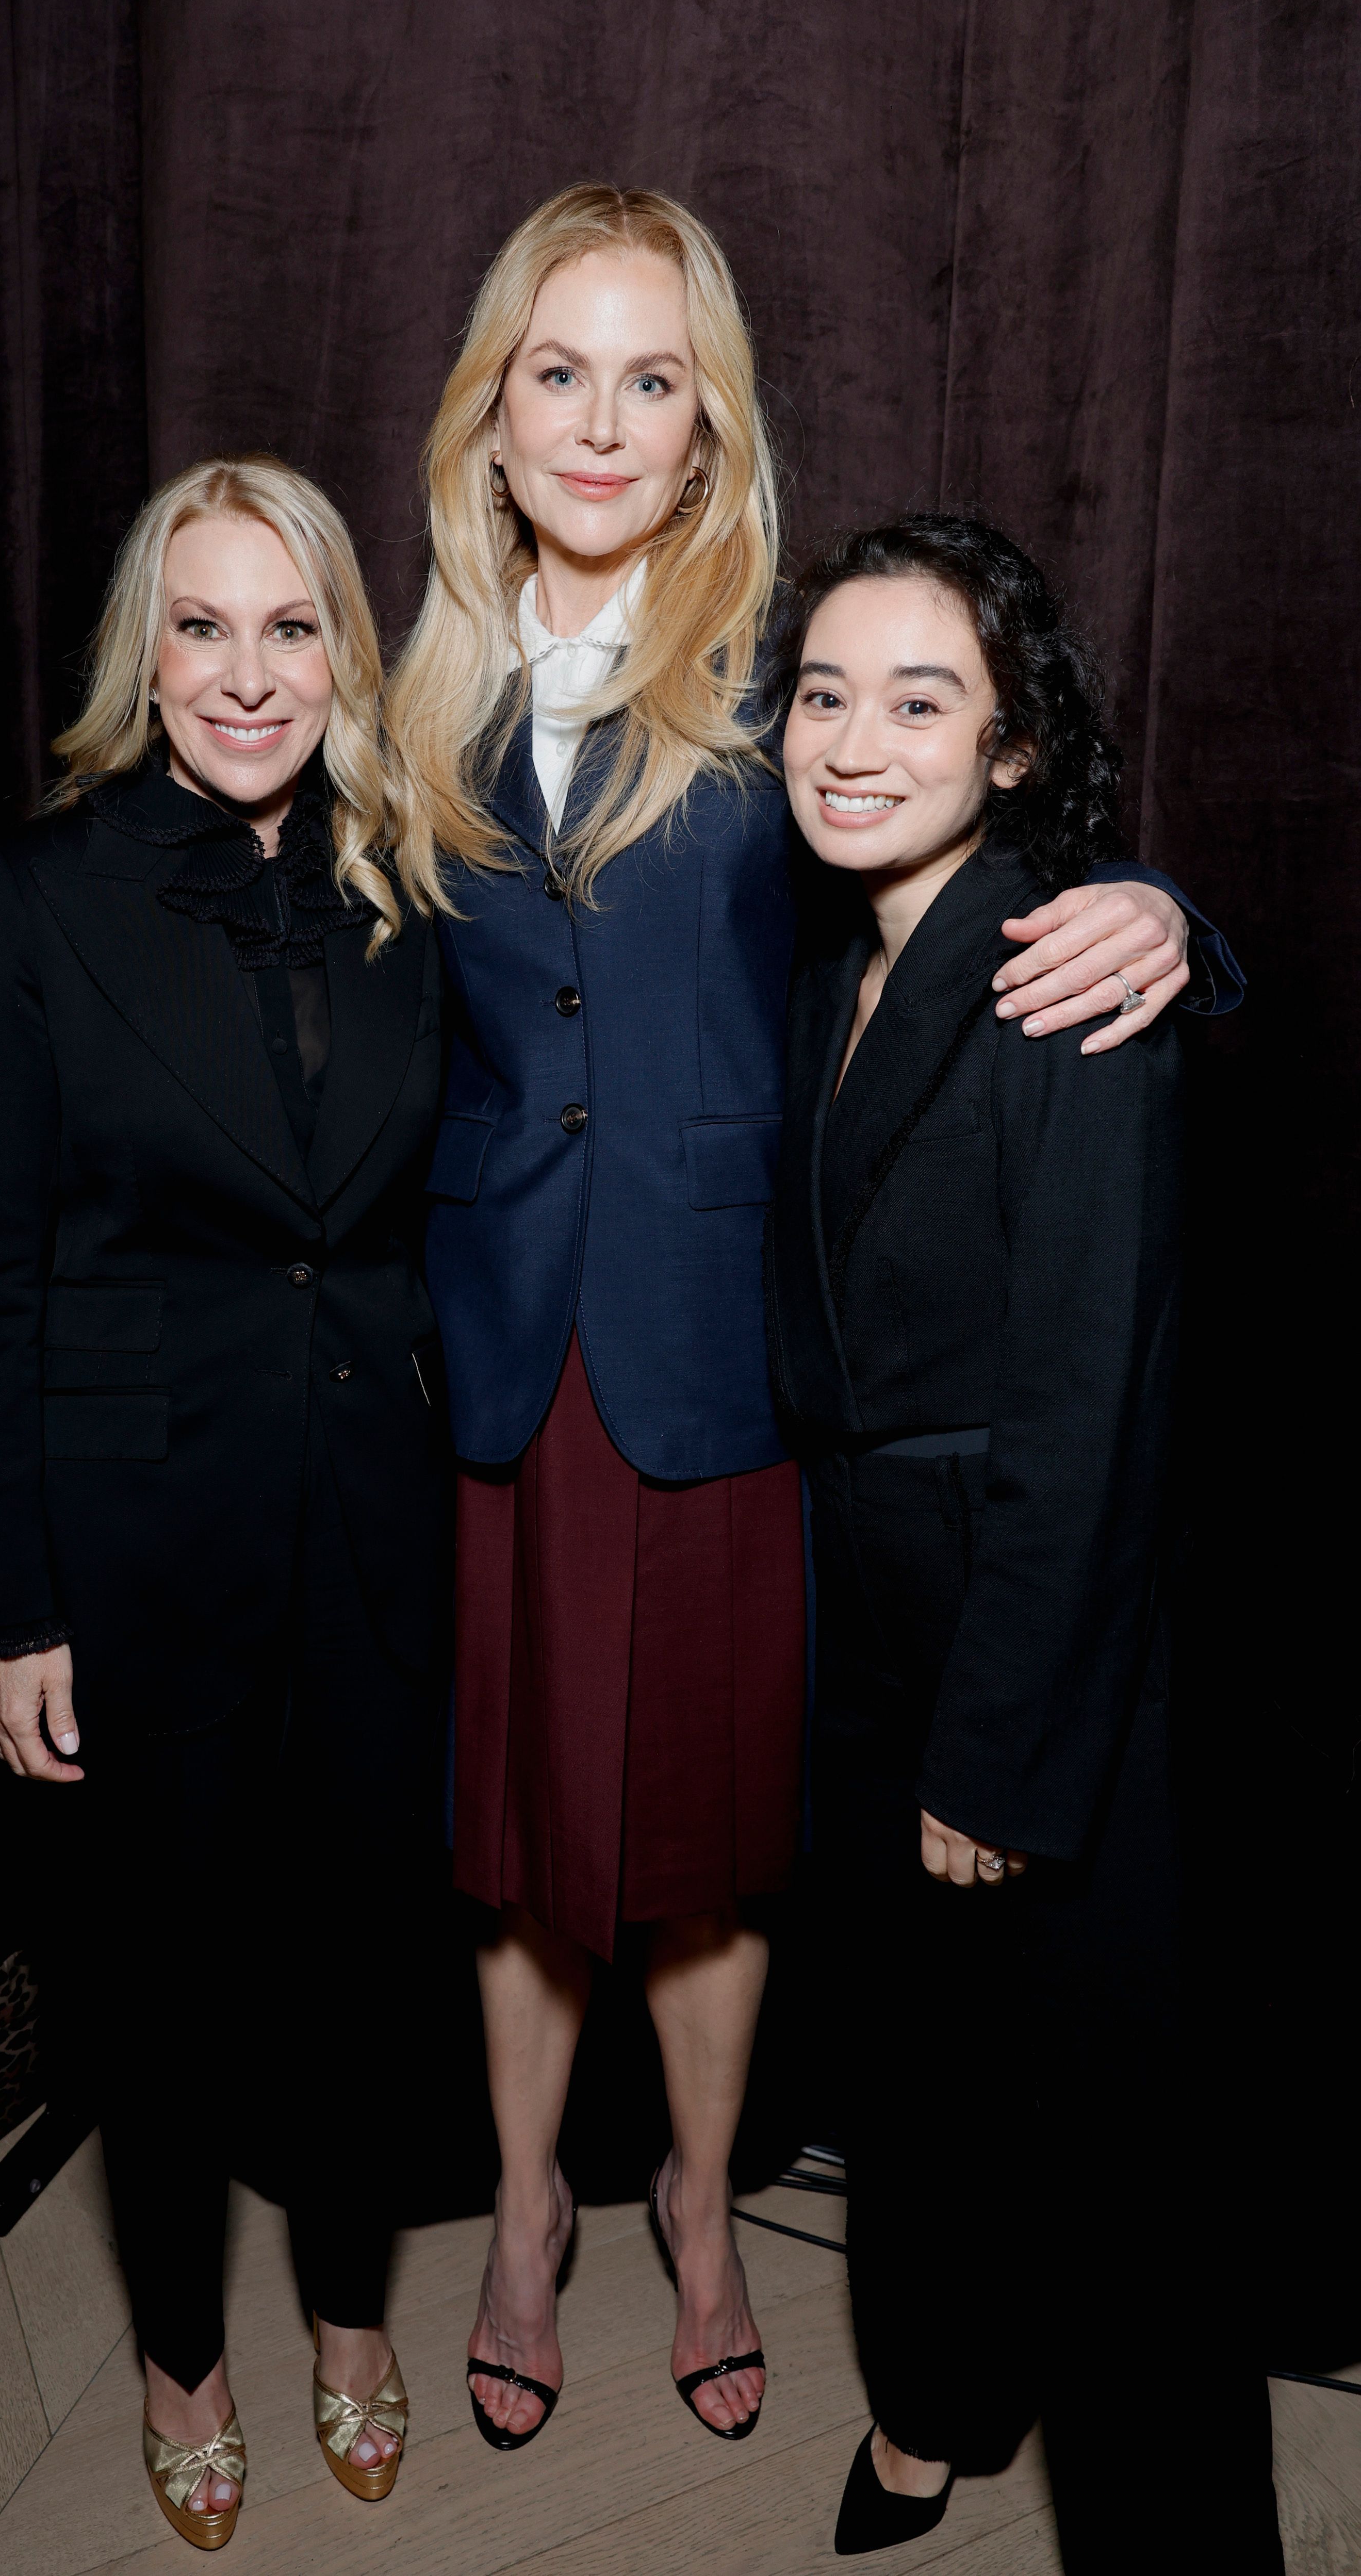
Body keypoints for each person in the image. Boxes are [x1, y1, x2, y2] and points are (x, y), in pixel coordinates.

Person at [383, 184, 1227, 2454]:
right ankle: (529, 2209)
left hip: (724, 1358)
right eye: (557, 367)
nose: (601, 416)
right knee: (520, 1839)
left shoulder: (786, 674)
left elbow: (988, 822)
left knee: (701, 1840)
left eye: (655, 377)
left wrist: (1166, 915)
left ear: (709, 428)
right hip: (500, 1357)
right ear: (492, 406)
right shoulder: (415, 687)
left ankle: (703, 2208)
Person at [767, 515, 1281, 2569]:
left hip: (1029, 1641)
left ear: (1008, 750)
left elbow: (1093, 1409)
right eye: (822, 692)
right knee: (920, 2075)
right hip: (875, 1617)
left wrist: (996, 1744)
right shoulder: (833, 955)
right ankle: (941, 2394)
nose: (854, 737)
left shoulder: (1067, 963)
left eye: (920, 699)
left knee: (1109, 2157)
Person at [0, 456, 447, 2550]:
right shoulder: (44, 892)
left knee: (360, 1971)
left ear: (348, 644)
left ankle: (347, 2310)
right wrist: (13, 1593)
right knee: (153, 1987)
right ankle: (182, 2356)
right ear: (144, 654)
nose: (250, 673)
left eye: (293, 623)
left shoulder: (424, 873)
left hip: (385, 1522)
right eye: (204, 625)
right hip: (143, 1537)